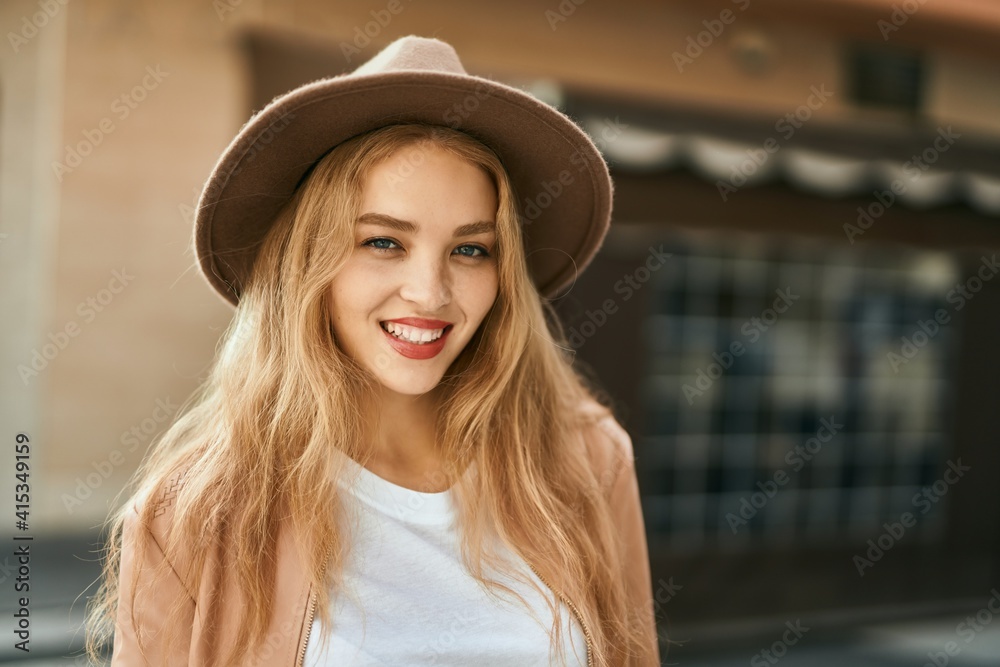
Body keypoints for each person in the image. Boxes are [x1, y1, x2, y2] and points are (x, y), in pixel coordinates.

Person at [86, 35, 660, 666]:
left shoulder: (588, 462)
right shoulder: (194, 514)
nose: (430, 292)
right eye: (383, 242)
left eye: (471, 249)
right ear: (307, 261)